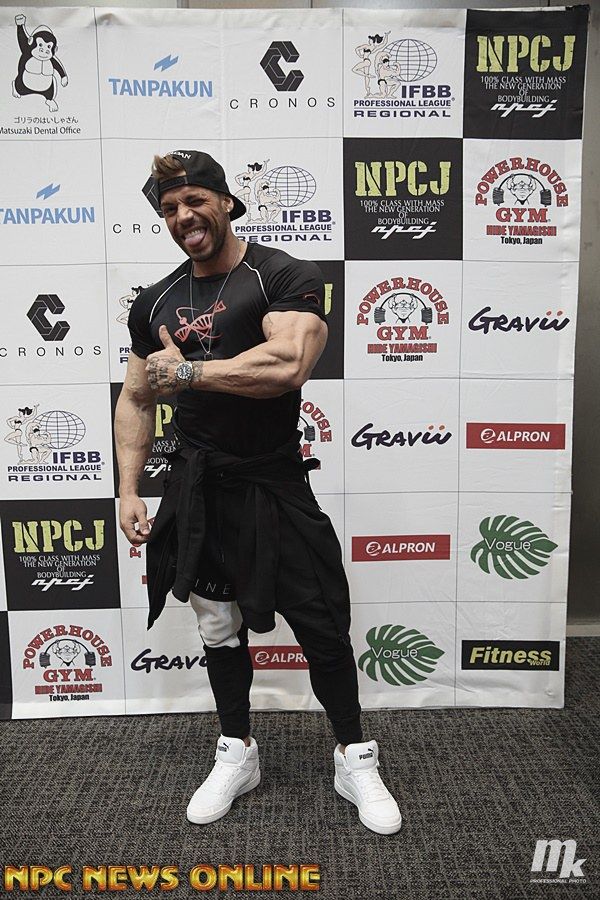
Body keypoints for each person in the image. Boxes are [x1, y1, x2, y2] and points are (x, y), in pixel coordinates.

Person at [114, 150, 402, 836]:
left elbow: (287, 363)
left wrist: (189, 373)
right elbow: (136, 397)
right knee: (217, 625)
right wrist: (128, 489)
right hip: (197, 488)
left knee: (321, 623)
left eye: (196, 201)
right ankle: (237, 749)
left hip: (272, 483)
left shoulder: (282, 276)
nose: (184, 217)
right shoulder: (154, 302)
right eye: (170, 209)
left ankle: (353, 755)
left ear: (227, 201)